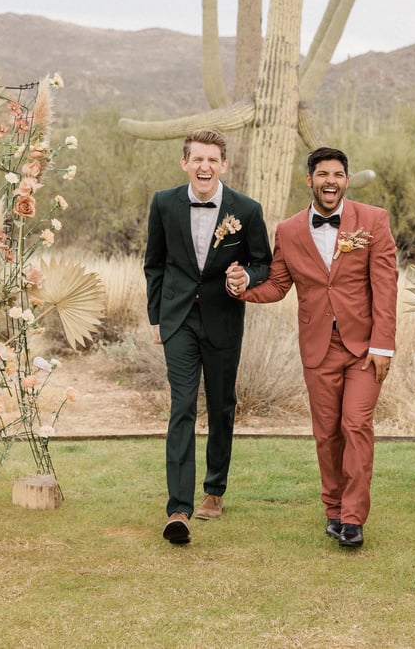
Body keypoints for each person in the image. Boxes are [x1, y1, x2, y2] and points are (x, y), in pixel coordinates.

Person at [226, 147, 398, 548]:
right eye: (322, 174)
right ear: (310, 180)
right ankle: (333, 509)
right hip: (318, 348)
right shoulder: (288, 231)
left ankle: (353, 518)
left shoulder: (373, 220)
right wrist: (242, 287)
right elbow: (277, 285)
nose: (330, 181)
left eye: (337, 174)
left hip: (364, 347)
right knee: (326, 433)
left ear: (346, 181)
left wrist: (383, 345)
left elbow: (386, 287)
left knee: (355, 424)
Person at [144, 128, 272, 544]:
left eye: (212, 160)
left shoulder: (246, 210)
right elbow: (154, 264)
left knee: (220, 405)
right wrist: (156, 318)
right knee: (182, 405)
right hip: (178, 320)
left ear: (224, 165)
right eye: (197, 159)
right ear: (185, 163)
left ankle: (214, 490)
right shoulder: (164, 203)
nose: (204, 166)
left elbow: (263, 263)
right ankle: (178, 509)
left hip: (223, 319)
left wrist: (246, 276)